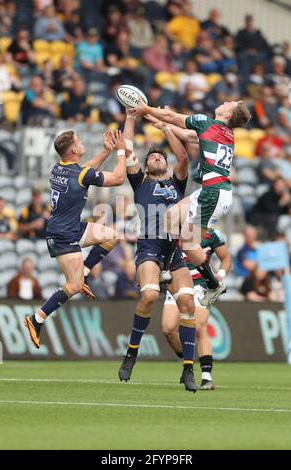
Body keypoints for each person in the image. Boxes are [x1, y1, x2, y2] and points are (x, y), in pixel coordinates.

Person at [129, 99, 251, 306]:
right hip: (212, 190)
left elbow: (173, 116)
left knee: (188, 243)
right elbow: (186, 135)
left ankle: (213, 284)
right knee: (171, 217)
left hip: (213, 193)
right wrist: (166, 128)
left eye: (230, 103)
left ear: (228, 115)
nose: (225, 101)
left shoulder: (207, 122)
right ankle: (166, 269)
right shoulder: (222, 132)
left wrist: (146, 110)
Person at [24, 129, 127, 349]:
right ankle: (37, 318)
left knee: (111, 237)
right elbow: (118, 178)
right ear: (73, 149)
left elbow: (85, 171)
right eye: (79, 142)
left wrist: (105, 150)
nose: (82, 143)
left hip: (70, 227)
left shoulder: (59, 167)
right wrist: (120, 152)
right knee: (72, 285)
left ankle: (86, 274)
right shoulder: (79, 174)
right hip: (63, 235)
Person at [117, 112, 198, 392]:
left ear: (165, 163)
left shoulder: (176, 183)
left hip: (173, 249)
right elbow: (127, 149)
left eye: (159, 157)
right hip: (150, 245)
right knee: (150, 295)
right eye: (151, 156)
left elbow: (184, 158)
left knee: (188, 306)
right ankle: (132, 352)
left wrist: (166, 129)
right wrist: (130, 117)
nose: (155, 158)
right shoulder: (140, 183)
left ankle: (188, 370)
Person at [162, 229, 231, 390]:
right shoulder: (174, 231)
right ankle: (188, 359)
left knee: (199, 327)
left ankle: (206, 376)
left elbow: (226, 258)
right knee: (168, 329)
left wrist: (219, 276)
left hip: (201, 285)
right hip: (177, 283)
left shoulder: (212, 234)